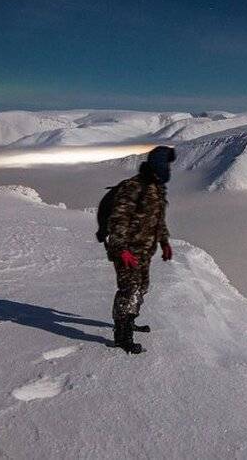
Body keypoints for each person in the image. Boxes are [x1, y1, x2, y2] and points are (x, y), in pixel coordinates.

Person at [95, 145, 175, 354]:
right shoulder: (134, 187)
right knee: (128, 290)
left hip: (144, 251)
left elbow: (157, 220)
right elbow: (118, 220)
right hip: (127, 250)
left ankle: (130, 320)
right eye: (166, 164)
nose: (169, 168)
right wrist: (121, 249)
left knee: (142, 287)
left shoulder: (156, 188)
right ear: (158, 164)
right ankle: (122, 335)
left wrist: (164, 242)